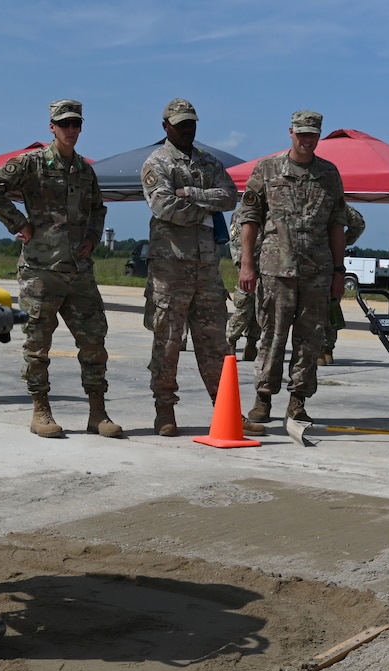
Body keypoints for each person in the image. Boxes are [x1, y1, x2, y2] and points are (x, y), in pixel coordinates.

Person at [0, 99, 122, 440]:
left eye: (76, 123)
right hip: (40, 271)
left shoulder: (85, 170)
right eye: (65, 124)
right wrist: (20, 224)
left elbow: (97, 209)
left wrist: (91, 239)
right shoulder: (33, 163)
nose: (71, 130)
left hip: (78, 270)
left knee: (94, 341)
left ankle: (97, 412)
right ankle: (40, 410)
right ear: (52, 127)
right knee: (37, 345)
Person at [141, 98, 265, 437]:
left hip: (207, 269)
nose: (187, 129)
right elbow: (164, 206)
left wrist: (191, 193)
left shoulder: (208, 162)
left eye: (191, 123)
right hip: (171, 270)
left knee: (216, 346)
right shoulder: (157, 162)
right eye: (180, 124)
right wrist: (204, 208)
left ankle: (227, 413)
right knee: (167, 343)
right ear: (165, 126)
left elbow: (229, 196)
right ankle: (164, 411)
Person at [237, 110, 348, 424]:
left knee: (310, 339)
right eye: (302, 133)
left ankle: (297, 401)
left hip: (317, 273)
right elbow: (250, 220)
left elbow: (337, 225)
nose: (307, 139)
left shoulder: (329, 174)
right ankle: (263, 399)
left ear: (318, 135)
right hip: (276, 270)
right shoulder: (268, 170)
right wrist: (247, 265)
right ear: (291, 132)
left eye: (312, 133)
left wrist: (339, 272)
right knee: (272, 337)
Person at [320, 204, 366, 365]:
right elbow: (359, 223)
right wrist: (341, 243)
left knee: (315, 307)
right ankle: (326, 350)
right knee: (330, 305)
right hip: (331, 261)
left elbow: (359, 223)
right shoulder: (336, 203)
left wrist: (342, 242)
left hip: (319, 262)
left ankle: (321, 351)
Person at [226, 212, 261, 361]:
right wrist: (244, 265)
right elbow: (237, 242)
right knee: (244, 305)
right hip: (248, 264)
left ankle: (252, 343)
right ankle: (231, 340)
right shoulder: (244, 213)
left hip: (268, 265)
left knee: (261, 308)